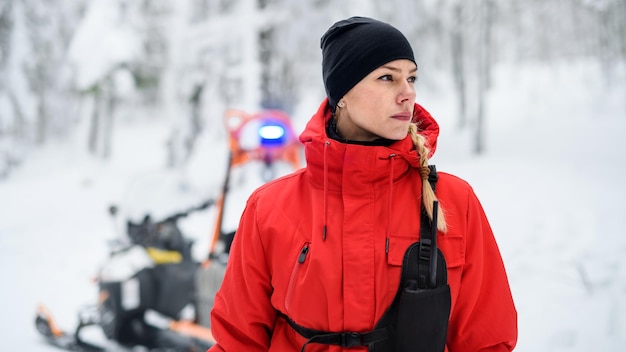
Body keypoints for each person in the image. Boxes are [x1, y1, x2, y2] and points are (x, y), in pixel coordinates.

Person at [208, 16, 517, 352]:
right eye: (387, 78)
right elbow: (237, 341)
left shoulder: (454, 200)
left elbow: (487, 340)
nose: (407, 93)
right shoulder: (270, 207)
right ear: (342, 94)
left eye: (411, 78)